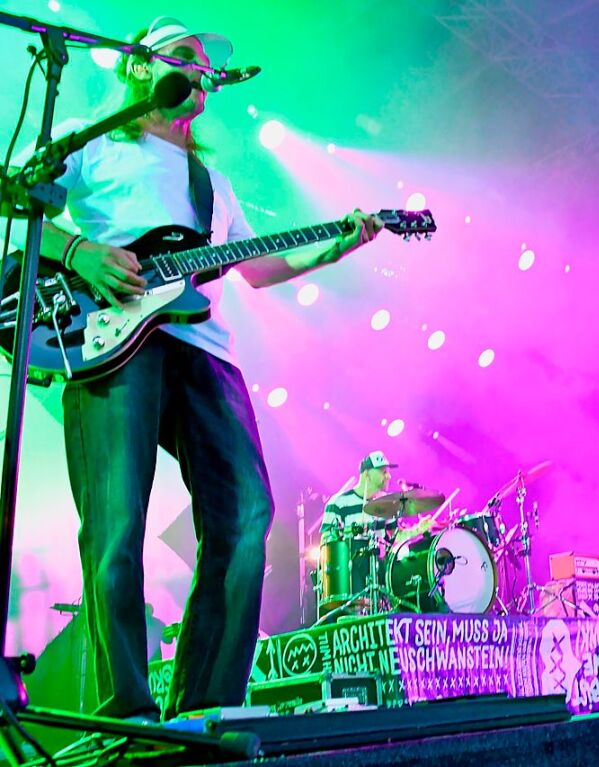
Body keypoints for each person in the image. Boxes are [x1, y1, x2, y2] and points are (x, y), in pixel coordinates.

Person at [16, 16, 383, 722]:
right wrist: (79, 254)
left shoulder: (211, 183)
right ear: (139, 69)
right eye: (184, 56)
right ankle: (126, 711)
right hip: (110, 333)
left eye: (204, 65)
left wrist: (337, 245)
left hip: (205, 348)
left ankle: (206, 707)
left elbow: (258, 266)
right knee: (117, 525)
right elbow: (20, 202)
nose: (200, 70)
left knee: (247, 512)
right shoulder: (96, 149)